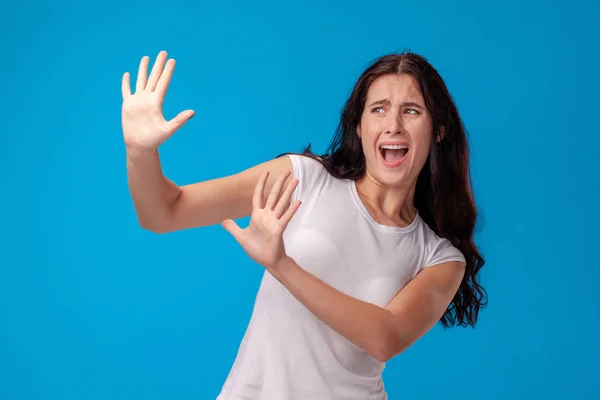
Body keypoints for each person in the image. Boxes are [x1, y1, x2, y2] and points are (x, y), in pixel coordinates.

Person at [121, 50, 487, 400]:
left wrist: (281, 265)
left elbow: (385, 337)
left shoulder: (440, 258)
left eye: (411, 111)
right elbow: (164, 213)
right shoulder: (303, 178)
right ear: (358, 125)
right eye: (379, 109)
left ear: (438, 129)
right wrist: (139, 152)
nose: (393, 125)